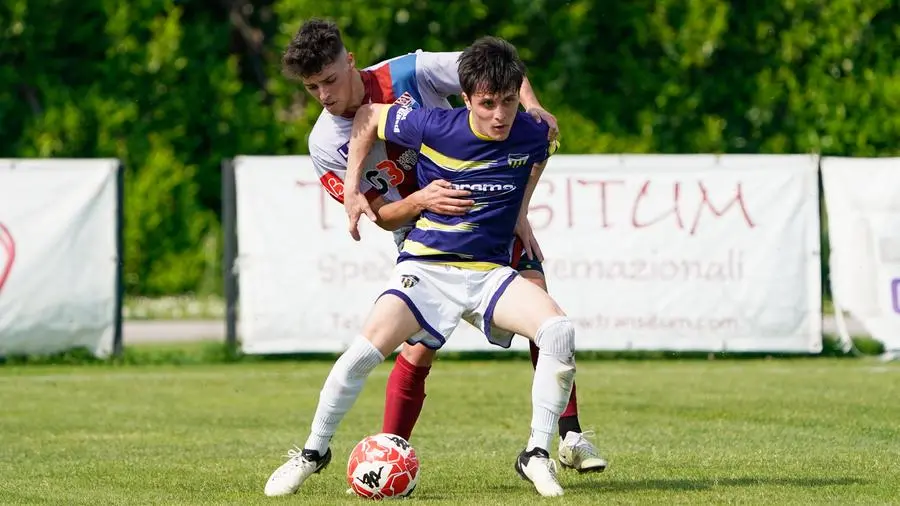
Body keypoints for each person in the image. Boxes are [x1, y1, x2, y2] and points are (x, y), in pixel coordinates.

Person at [279, 19, 607, 473]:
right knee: (416, 348)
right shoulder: (324, 143)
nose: (325, 95)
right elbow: (382, 217)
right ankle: (388, 456)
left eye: (330, 80)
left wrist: (531, 115)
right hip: (422, 234)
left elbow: (496, 69)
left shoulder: (409, 73)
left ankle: (569, 436)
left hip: (485, 212)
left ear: (350, 61)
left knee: (543, 304)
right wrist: (419, 200)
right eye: (313, 87)